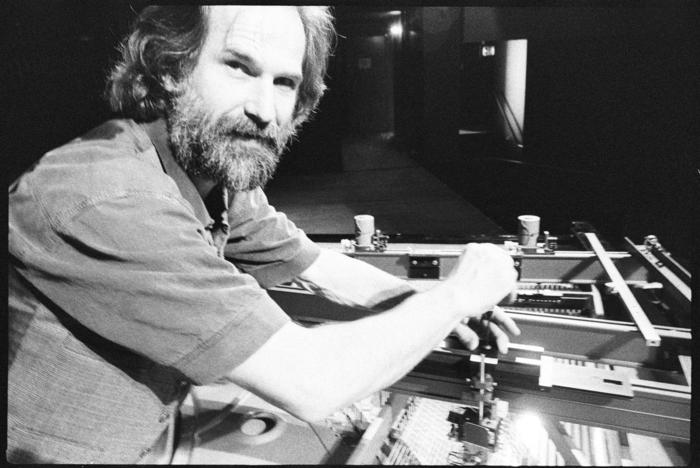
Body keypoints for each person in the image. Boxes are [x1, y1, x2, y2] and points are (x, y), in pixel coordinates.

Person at [7, 5, 519, 464]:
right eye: (238, 67)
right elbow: (312, 384)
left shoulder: (215, 176)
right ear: (170, 68)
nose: (265, 109)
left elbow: (322, 269)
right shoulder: (108, 197)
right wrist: (456, 293)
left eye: (284, 83)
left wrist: (424, 306)